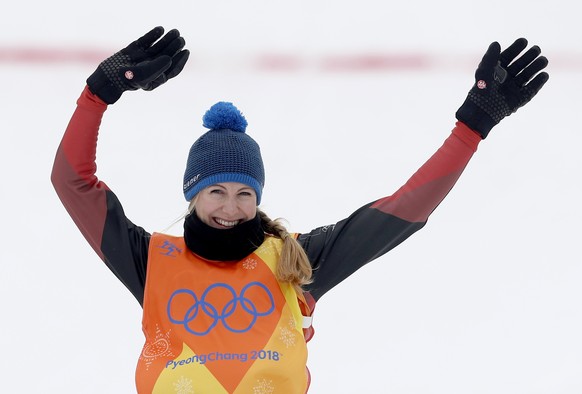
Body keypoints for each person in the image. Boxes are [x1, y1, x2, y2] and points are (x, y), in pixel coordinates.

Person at [51, 26, 549, 393]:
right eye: (215, 192)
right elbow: (71, 182)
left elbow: (404, 210)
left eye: (244, 193)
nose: (231, 207)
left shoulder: (295, 262)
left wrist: (472, 128)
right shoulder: (151, 260)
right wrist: (98, 94)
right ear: (193, 195)